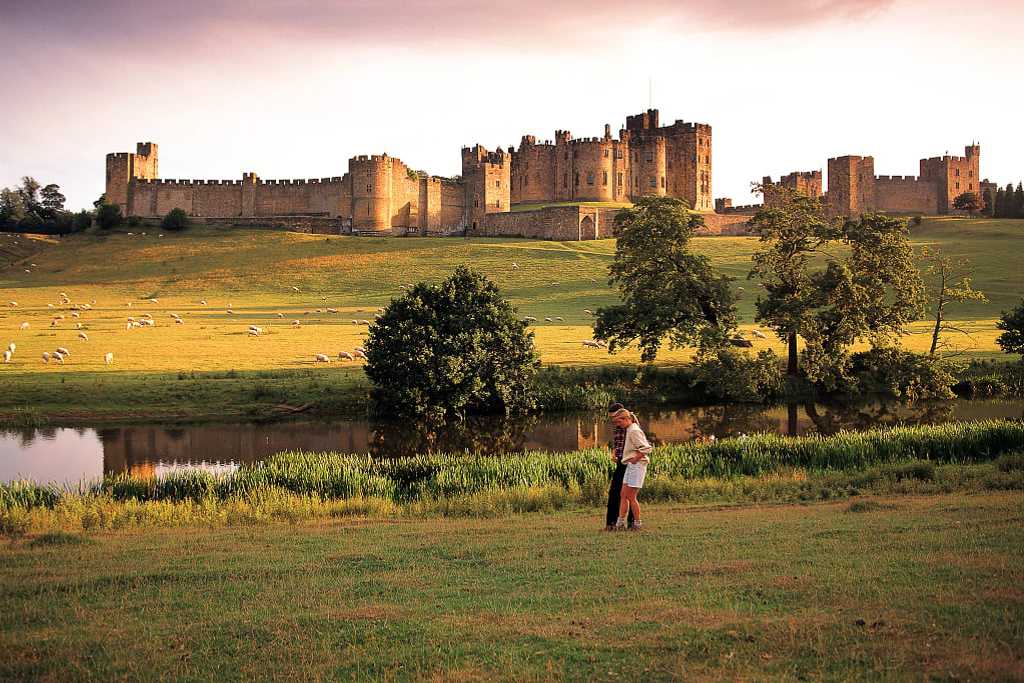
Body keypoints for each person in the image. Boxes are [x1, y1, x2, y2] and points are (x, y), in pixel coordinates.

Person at [611, 408, 652, 531]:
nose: (618, 425)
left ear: (626, 419)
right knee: (623, 494)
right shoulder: (629, 429)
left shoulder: (634, 430)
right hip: (630, 465)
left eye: (619, 422)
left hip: (637, 466)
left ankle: (637, 523)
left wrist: (636, 458)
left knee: (631, 496)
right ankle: (620, 523)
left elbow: (647, 448)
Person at [605, 402, 633, 531]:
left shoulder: (631, 426)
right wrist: (615, 452)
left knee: (628, 494)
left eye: (615, 418)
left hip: (630, 462)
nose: (613, 421)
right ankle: (612, 523)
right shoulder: (618, 425)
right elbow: (618, 442)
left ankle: (632, 523)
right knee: (616, 492)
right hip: (621, 461)